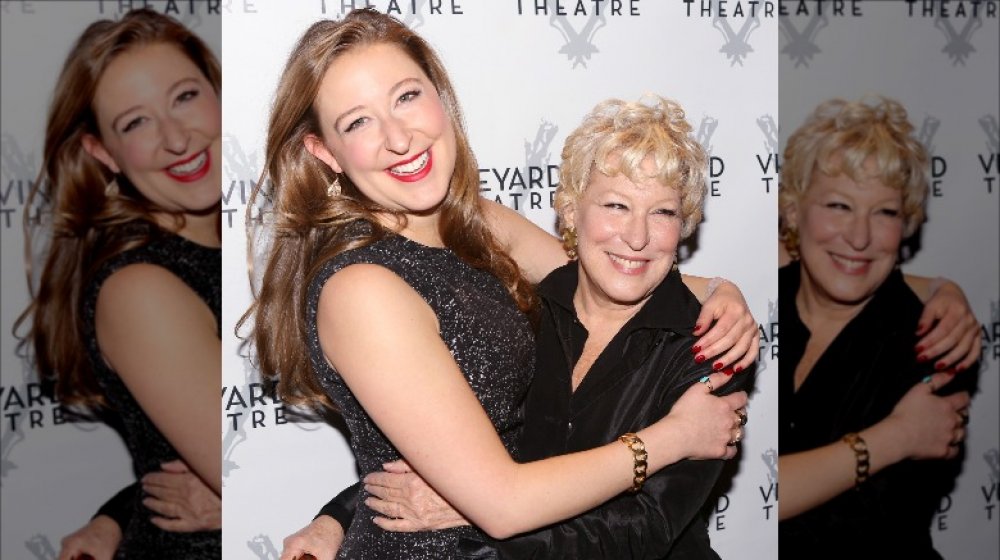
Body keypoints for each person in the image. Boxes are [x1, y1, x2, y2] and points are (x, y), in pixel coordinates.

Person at [245, 10, 756, 559]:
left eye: (406, 97)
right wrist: (672, 438)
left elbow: (603, 265)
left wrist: (719, 289)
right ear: (325, 152)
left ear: (439, 95)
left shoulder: (474, 222)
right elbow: (500, 501)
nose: (398, 137)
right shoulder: (363, 289)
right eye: (357, 122)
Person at [15, 9, 222, 559]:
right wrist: (241, 495)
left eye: (185, 97)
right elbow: (242, 465)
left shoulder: (264, 238)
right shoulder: (141, 289)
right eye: (135, 123)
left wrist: (118, 512)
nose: (177, 138)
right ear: (103, 153)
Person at [776, 96, 979, 559]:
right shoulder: (748, 309)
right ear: (792, 211)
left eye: (885, 213)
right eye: (839, 205)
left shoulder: (936, 339)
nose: (861, 237)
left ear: (906, 225)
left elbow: (853, 528)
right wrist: (892, 438)